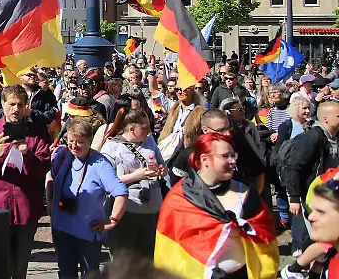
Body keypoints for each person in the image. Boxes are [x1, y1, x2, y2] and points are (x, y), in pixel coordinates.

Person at [154, 133, 279, 279]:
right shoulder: (180, 198)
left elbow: (265, 231)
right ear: (205, 159)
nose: (232, 161)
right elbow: (168, 249)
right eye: (225, 156)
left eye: (233, 155)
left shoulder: (246, 192)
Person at [0, 85, 51, 279]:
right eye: (11, 104)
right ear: (3, 105)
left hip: (25, 206)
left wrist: (27, 154)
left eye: (20, 104)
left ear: (26, 107)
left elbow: (43, 168)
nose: (16, 109)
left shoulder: (37, 132)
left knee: (19, 266)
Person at [46, 118, 128, 278]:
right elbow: (50, 176)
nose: (74, 146)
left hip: (87, 232)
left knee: (90, 274)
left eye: (80, 142)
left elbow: (121, 192)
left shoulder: (100, 163)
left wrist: (112, 220)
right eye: (71, 141)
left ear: (90, 141)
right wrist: (50, 203)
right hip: (61, 228)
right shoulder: (63, 154)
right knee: (65, 271)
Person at [100, 110, 165, 258]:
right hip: (126, 210)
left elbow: (164, 167)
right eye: (144, 127)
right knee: (124, 260)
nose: (149, 131)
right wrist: (137, 176)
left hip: (151, 209)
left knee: (146, 260)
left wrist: (162, 171)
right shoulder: (112, 147)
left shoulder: (150, 142)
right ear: (131, 129)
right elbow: (106, 180)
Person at [282, 100, 339, 255]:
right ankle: (303, 268)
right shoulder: (311, 137)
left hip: (329, 194)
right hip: (311, 194)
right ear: (326, 119)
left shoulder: (334, 136)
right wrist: (293, 198)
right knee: (318, 239)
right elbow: (293, 167)